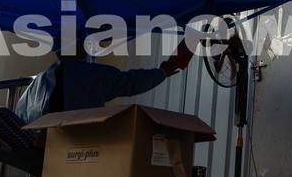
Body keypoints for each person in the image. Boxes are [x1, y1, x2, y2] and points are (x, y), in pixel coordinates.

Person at [14, 38, 194, 125]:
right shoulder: (90, 74)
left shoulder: (39, 80)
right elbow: (131, 82)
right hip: (75, 145)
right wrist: (162, 72)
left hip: (40, 151)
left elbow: (19, 115)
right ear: (80, 47)